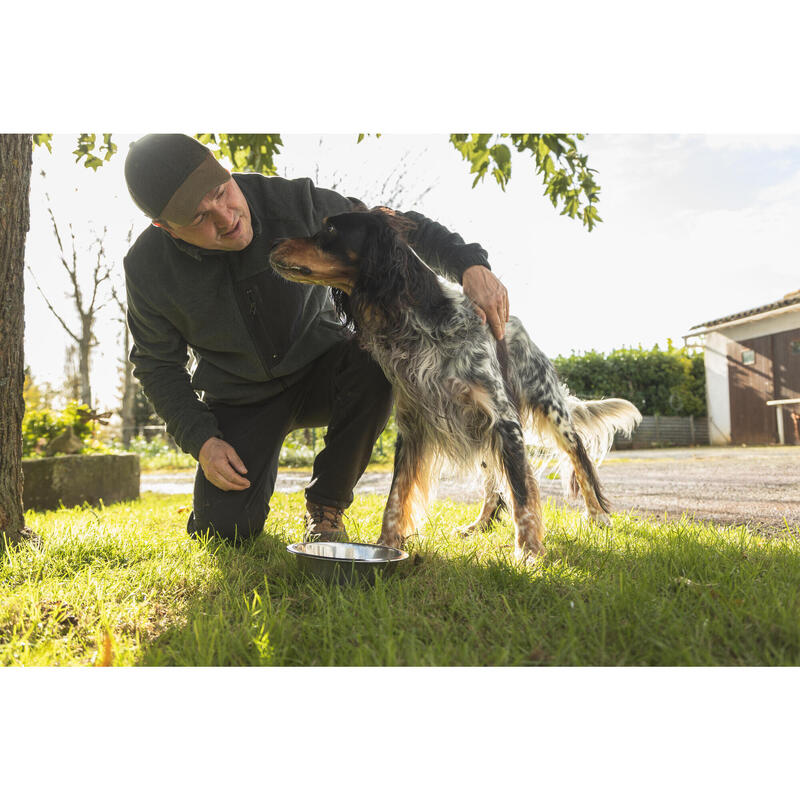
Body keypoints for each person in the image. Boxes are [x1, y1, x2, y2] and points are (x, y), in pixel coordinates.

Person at [123, 134, 509, 544]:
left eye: (222, 192)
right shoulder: (147, 269)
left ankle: (326, 506)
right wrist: (202, 441)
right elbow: (156, 365)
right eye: (200, 218)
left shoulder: (295, 201)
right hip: (240, 399)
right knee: (223, 532)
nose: (226, 218)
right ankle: (228, 509)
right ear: (165, 227)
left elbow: (390, 227)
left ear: (225, 169)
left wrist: (468, 264)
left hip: (326, 370)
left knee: (376, 361)